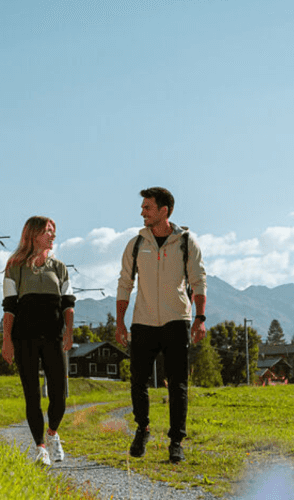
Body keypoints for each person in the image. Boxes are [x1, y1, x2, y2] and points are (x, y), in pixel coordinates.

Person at [114, 187, 207, 464]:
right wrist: (120, 321)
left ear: (164, 210)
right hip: (142, 321)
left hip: (177, 320)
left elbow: (199, 280)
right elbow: (124, 284)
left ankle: (176, 441)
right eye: (142, 207)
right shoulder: (135, 244)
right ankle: (142, 429)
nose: (142, 212)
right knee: (137, 381)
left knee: (178, 384)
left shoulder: (186, 242)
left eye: (147, 207)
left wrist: (200, 318)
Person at [0, 216, 75, 467]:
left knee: (59, 396)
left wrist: (69, 333)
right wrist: (6, 341)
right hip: (24, 338)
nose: (52, 235)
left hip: (54, 337)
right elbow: (9, 308)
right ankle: (40, 448)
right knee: (32, 395)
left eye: (54, 231)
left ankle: (52, 434)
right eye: (47, 231)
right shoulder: (15, 267)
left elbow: (68, 305)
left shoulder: (60, 267)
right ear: (33, 235)